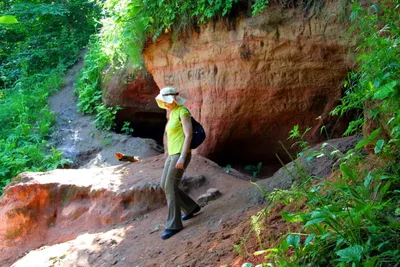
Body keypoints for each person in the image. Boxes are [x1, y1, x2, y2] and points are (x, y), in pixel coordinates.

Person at [155, 87, 201, 240]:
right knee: (164, 184)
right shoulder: (172, 113)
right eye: (163, 102)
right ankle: (190, 207)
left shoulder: (183, 112)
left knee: (170, 186)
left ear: (174, 99)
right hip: (172, 155)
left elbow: (188, 135)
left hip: (180, 155)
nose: (165, 104)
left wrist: (182, 156)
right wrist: (169, 155)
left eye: (166, 101)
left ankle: (173, 225)